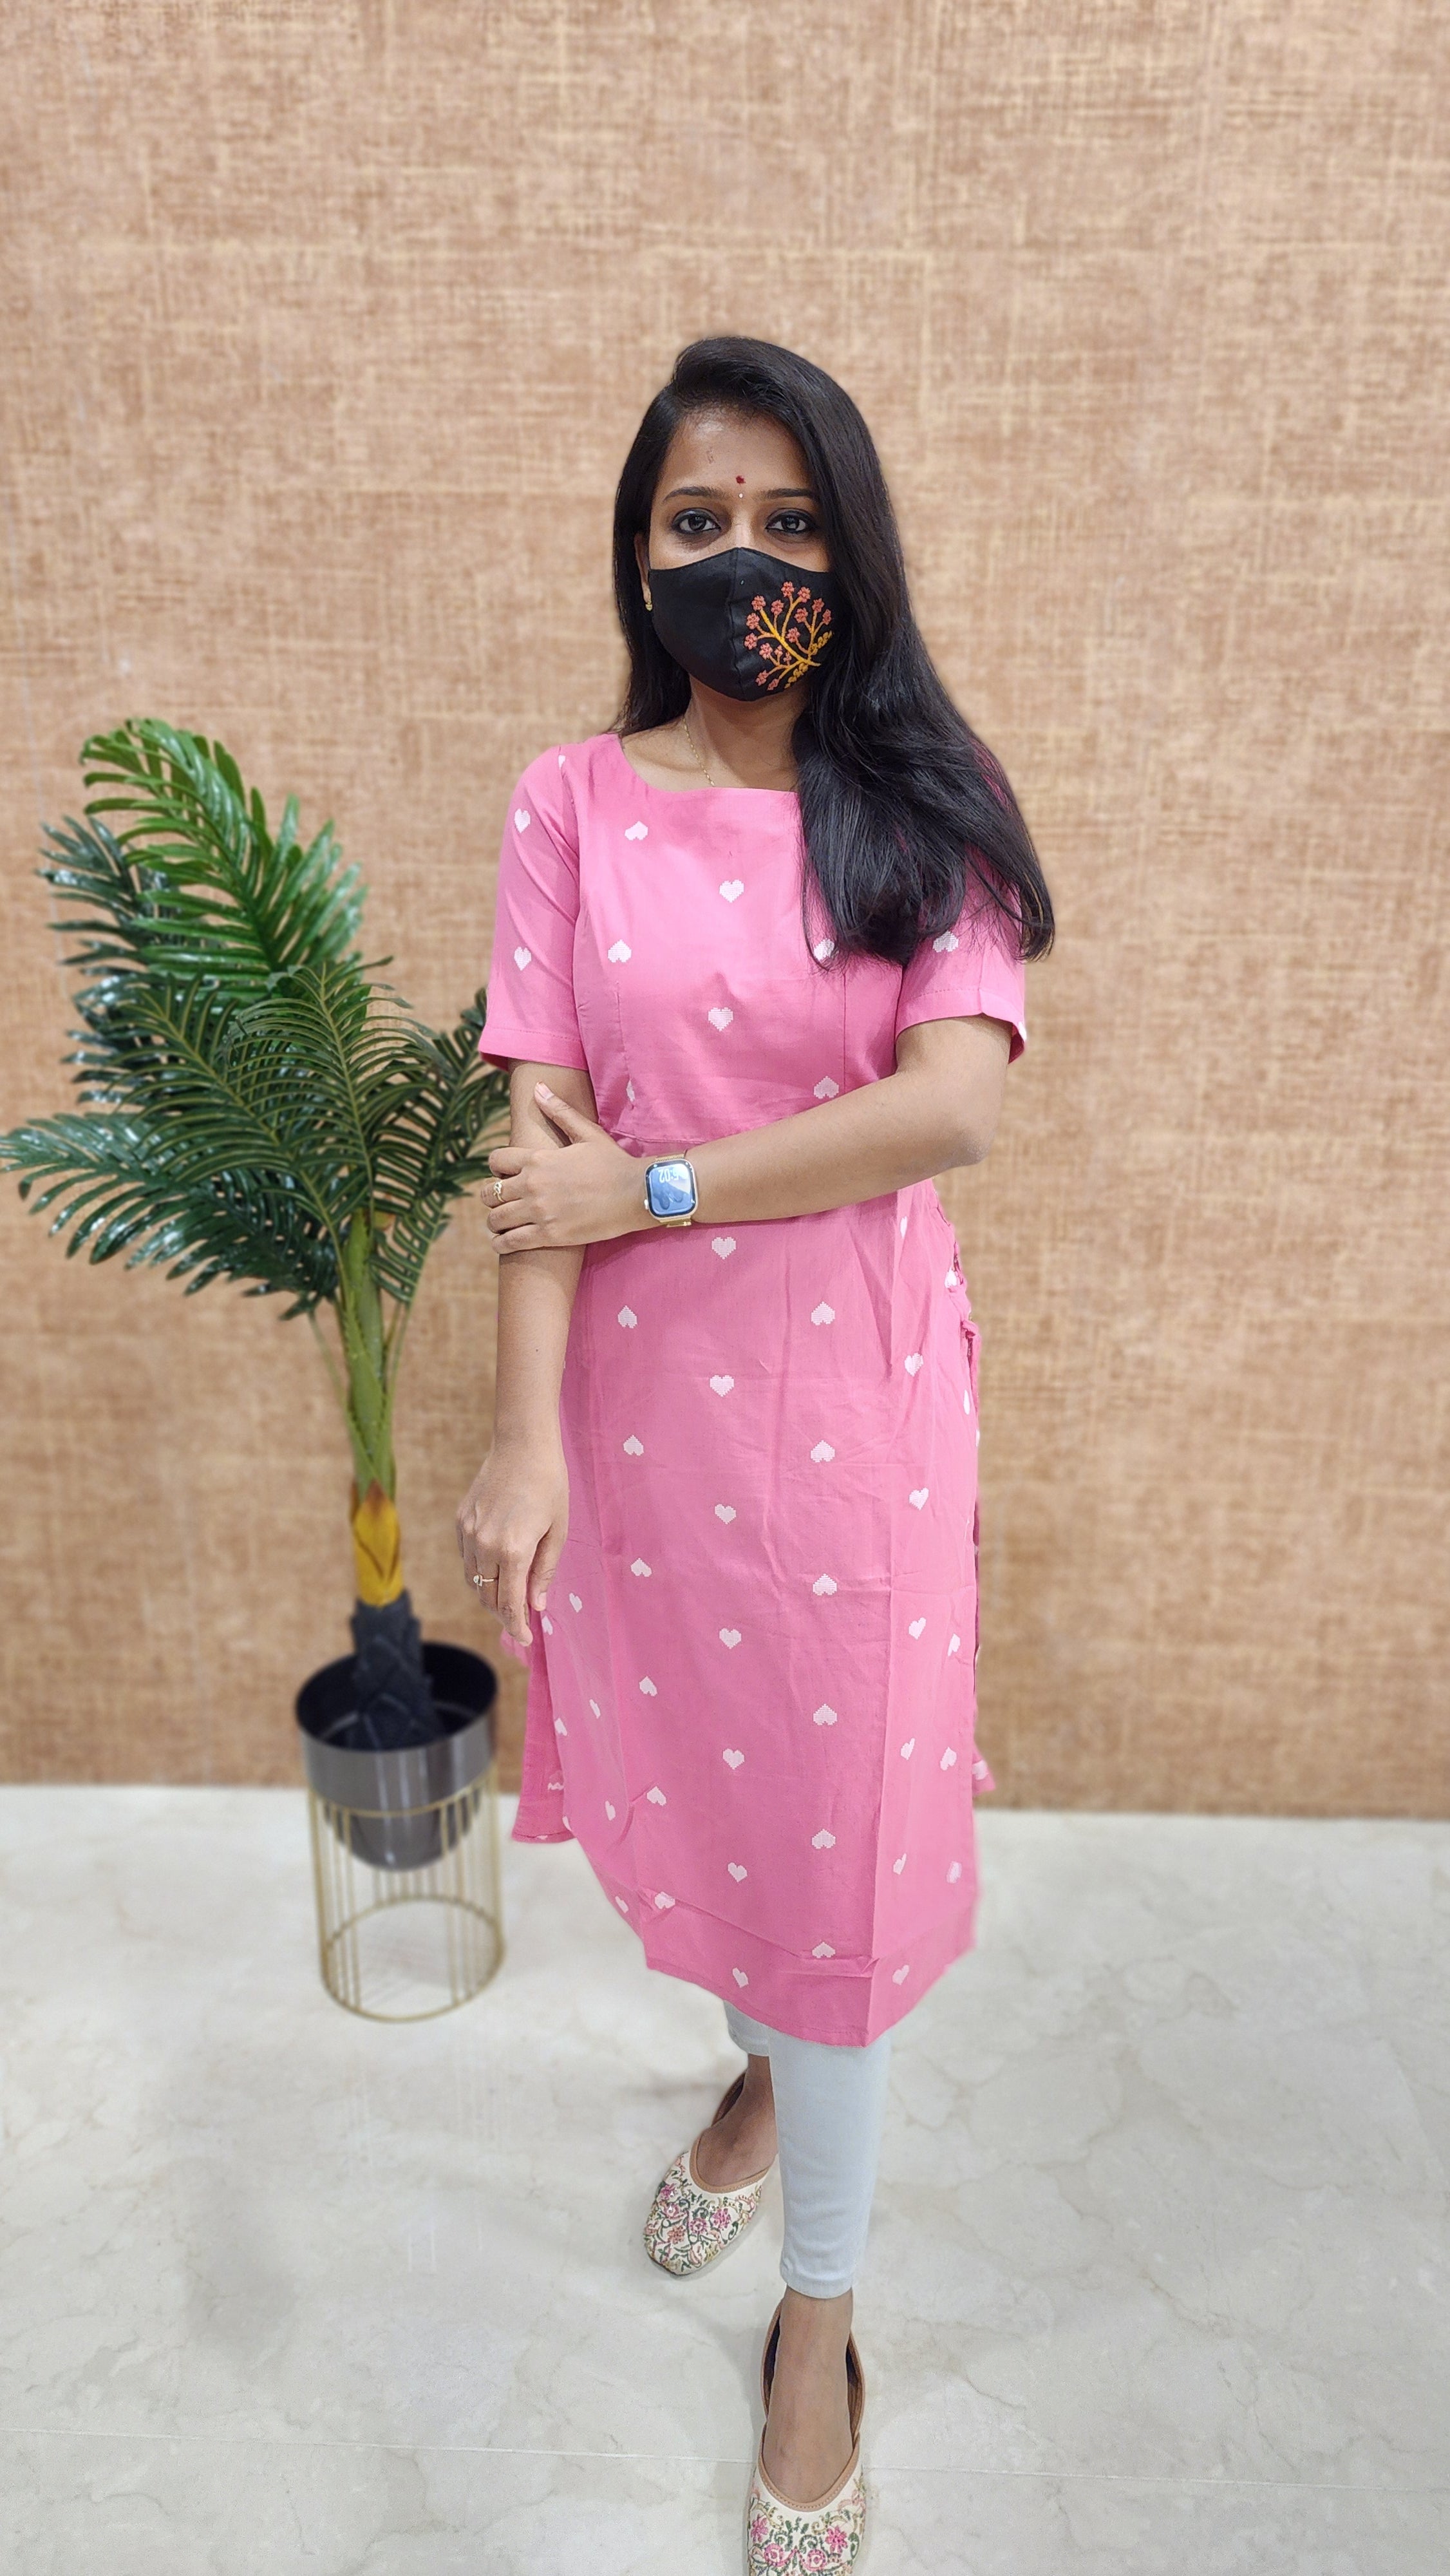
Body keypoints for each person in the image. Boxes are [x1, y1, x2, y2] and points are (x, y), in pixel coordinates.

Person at [457, 335, 1052, 2573]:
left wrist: (664, 1186)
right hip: (639, 1418)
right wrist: (522, 1440)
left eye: (788, 523)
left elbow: (948, 1107)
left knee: (843, 1858)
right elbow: (539, 1145)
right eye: (694, 522)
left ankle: (820, 2323)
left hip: (852, 1416)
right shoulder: (568, 803)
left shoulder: (921, 798)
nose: (741, 561)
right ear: (639, 561)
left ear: (851, 549)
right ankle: (758, 2065)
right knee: (716, 1808)